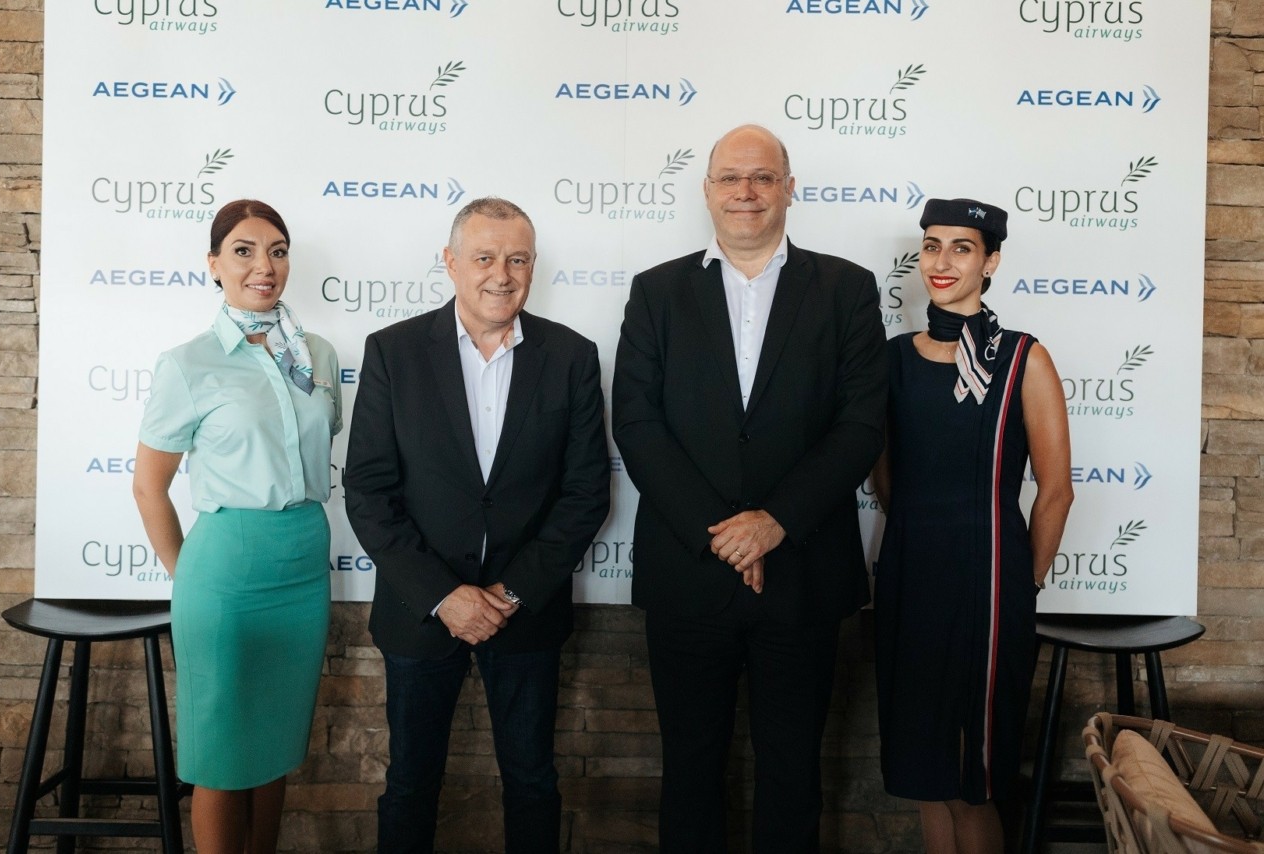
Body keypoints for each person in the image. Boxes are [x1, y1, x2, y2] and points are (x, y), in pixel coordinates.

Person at [613, 124, 888, 852]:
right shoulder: (656, 291)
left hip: (803, 572)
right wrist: (724, 533)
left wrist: (774, 523)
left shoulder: (847, 289)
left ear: (789, 189)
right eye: (731, 177)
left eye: (763, 177)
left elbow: (861, 426)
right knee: (690, 769)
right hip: (688, 573)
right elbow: (636, 424)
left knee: (794, 771)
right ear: (707, 191)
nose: (746, 191)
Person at [344, 197, 611, 854]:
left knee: (533, 782)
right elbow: (369, 492)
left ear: (533, 265)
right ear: (451, 262)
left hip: (527, 612)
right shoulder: (393, 352)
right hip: (420, 612)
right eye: (485, 257)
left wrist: (511, 593)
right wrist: (444, 595)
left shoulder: (572, 356)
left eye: (517, 259)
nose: (502, 274)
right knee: (410, 785)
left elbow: (585, 494)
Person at [132, 199, 342, 854]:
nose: (264, 266)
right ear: (214, 264)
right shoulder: (187, 364)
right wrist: (191, 579)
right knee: (222, 752)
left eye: (277, 251)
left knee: (274, 746)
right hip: (225, 569)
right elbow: (149, 486)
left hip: (303, 560)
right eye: (245, 251)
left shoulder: (318, 355)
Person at [872, 198, 1073, 853]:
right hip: (910, 578)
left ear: (991, 262)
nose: (942, 260)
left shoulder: (1024, 359)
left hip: (989, 587)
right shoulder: (892, 360)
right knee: (925, 773)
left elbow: (1056, 492)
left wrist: (1022, 586)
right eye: (932, 245)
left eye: (962, 247)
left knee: (972, 779)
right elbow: (885, 479)